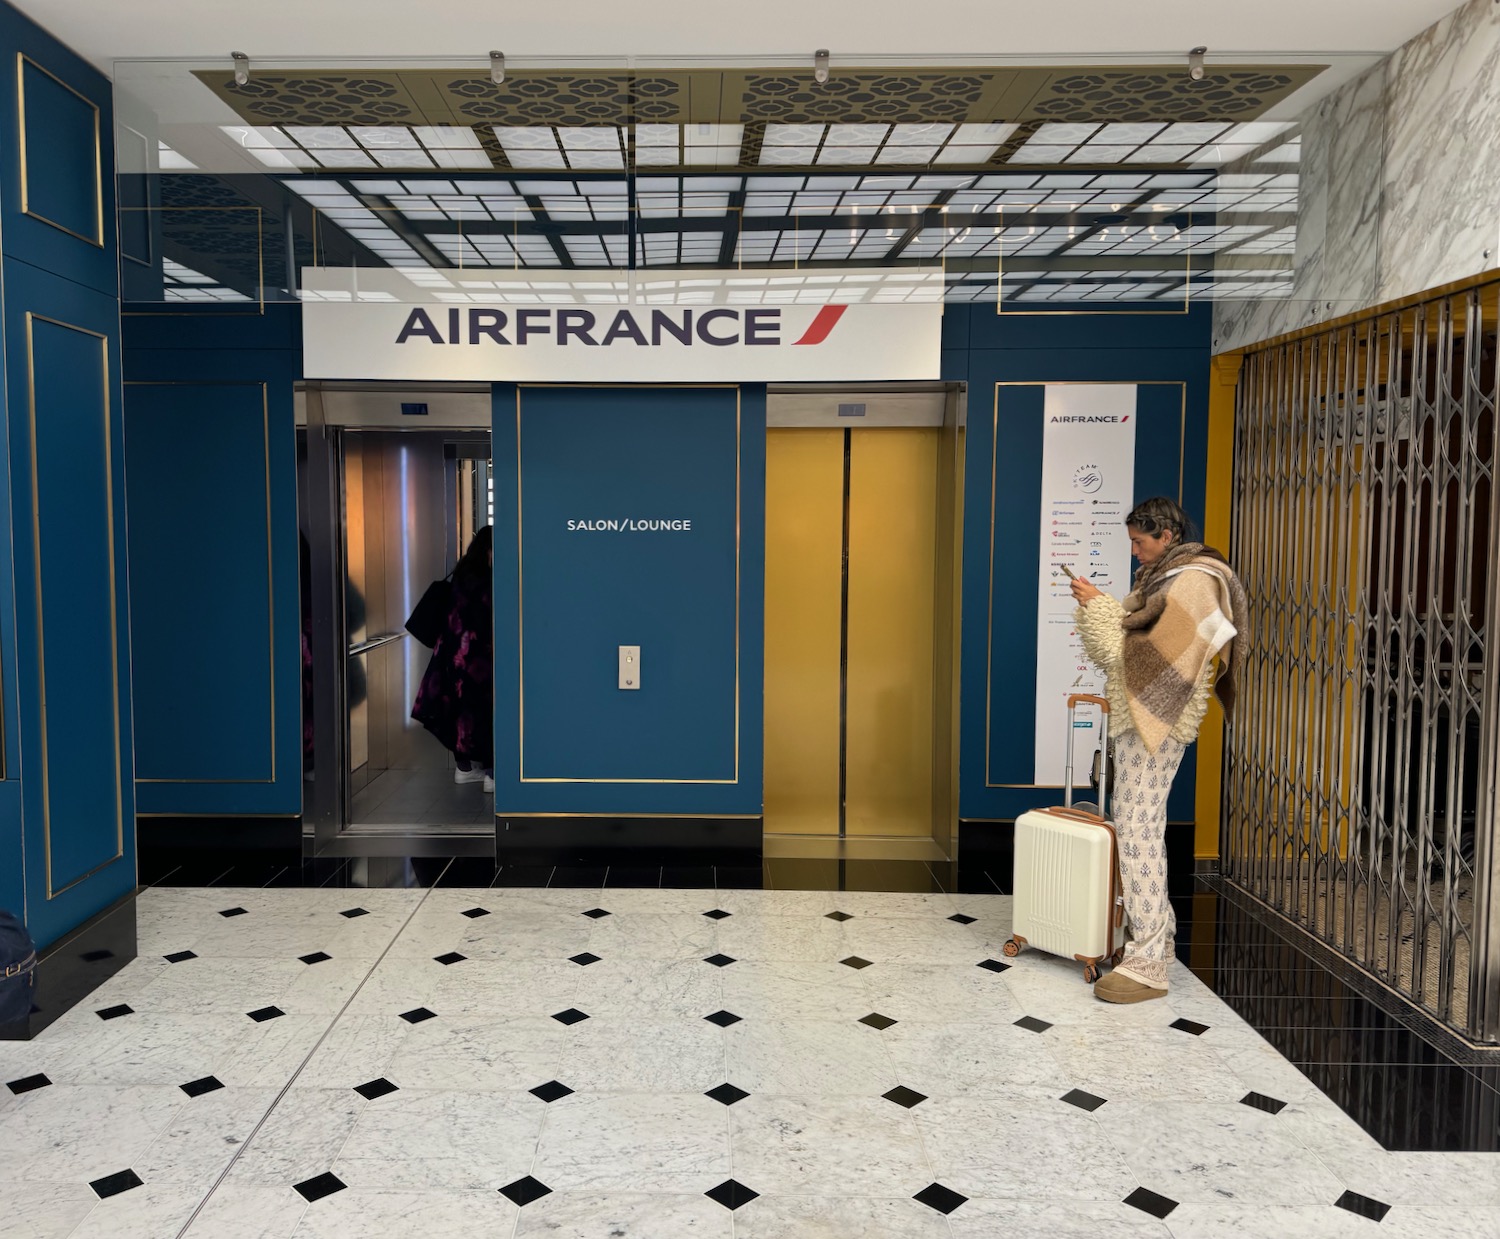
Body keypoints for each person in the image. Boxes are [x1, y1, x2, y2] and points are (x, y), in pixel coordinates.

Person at [1069, 497, 1247, 1004]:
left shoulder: (1194, 581)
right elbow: (1142, 638)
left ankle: (1149, 960)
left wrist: (1099, 608)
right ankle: (1157, 940)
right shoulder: (1166, 580)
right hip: (1153, 714)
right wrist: (1104, 604)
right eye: (1131, 542)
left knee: (1137, 826)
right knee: (1137, 821)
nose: (1134, 552)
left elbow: (1144, 655)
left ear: (1167, 535)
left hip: (1161, 717)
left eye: (1140, 541)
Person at [412, 526, 495, 792]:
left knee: (461, 712)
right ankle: (492, 773)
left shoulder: (461, 575)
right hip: (481, 660)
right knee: (488, 713)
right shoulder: (489, 581)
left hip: (452, 660)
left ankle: (464, 768)